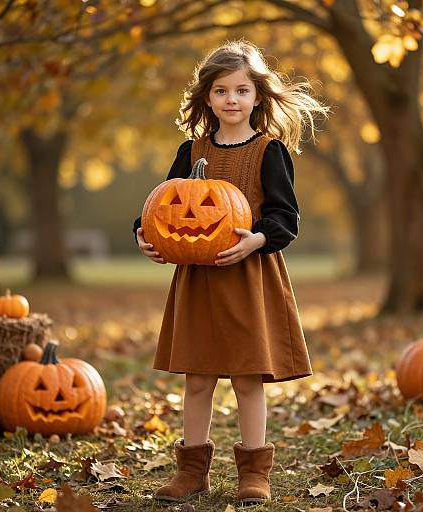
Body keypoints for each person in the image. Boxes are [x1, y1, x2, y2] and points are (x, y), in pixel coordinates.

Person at [133, 39, 329, 507]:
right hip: (198, 281)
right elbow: (162, 205)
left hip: (248, 279)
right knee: (197, 377)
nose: (232, 100)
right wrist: (143, 235)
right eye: (221, 91)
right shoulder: (192, 149)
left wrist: (257, 239)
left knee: (246, 379)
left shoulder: (269, 151)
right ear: (207, 98)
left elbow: (286, 218)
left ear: (257, 96)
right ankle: (192, 471)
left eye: (241, 90)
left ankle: (254, 472)